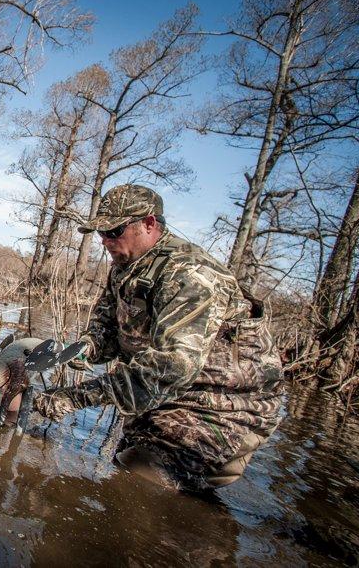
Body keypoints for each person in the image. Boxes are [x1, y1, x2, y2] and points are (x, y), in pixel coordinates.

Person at [19, 184, 283, 491]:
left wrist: (69, 398)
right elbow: (107, 328)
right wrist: (86, 348)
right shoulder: (124, 266)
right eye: (101, 232)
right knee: (126, 462)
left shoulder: (190, 274)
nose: (105, 241)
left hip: (226, 404)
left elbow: (169, 369)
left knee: (142, 479)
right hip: (167, 399)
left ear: (148, 223)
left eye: (114, 230)